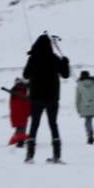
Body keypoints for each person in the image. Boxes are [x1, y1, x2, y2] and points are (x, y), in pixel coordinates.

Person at [22, 33, 70, 163]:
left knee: (34, 124)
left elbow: (25, 75)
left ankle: (30, 155)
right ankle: (57, 155)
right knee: (53, 124)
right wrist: (65, 62)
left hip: (36, 97)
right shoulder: (54, 58)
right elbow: (65, 75)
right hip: (52, 97)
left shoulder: (33, 58)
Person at [75, 70, 94, 144]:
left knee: (87, 121)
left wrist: (77, 108)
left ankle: (90, 134)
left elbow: (77, 98)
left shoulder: (79, 85)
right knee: (89, 120)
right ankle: (90, 133)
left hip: (84, 106)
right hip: (93, 105)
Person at [7, 78, 30, 147]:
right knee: (21, 129)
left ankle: (17, 141)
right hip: (21, 114)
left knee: (19, 128)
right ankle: (19, 142)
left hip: (18, 114)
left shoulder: (16, 92)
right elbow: (25, 104)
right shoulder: (21, 92)